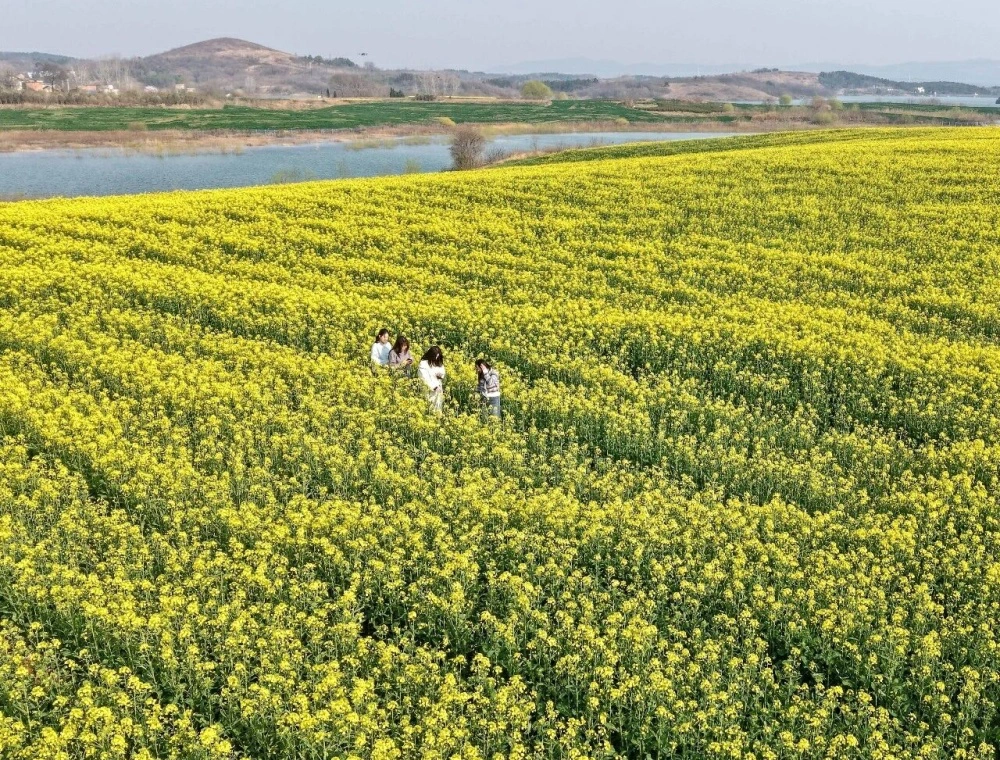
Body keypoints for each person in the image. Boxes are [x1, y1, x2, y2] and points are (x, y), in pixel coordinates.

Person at [418, 346, 446, 413]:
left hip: (438, 388)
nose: (436, 358)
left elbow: (442, 371)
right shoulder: (423, 364)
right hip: (428, 390)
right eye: (435, 356)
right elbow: (424, 378)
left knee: (438, 407)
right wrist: (434, 387)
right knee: (429, 407)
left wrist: (441, 375)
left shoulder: (438, 362)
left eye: (438, 356)